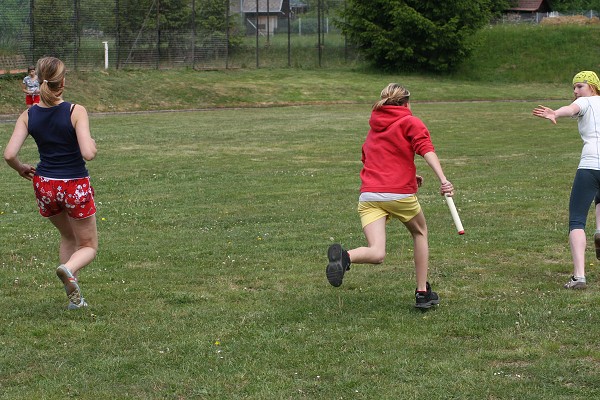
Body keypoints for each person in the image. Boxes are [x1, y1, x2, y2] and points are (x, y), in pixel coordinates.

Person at [326, 83, 455, 309]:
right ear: (406, 103)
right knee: (420, 232)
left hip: (369, 196)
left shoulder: (374, 128)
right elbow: (426, 149)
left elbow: (372, 160)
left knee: (377, 252)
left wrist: (410, 177)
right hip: (398, 195)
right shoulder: (410, 121)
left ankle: (345, 257)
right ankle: (422, 293)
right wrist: (444, 180)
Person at [4, 56, 98, 309]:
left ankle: (74, 300)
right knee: (88, 245)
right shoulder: (75, 111)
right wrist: (93, 145)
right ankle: (68, 268)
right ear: (62, 83)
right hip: (73, 185)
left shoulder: (28, 114)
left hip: (44, 184)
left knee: (68, 237)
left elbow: (9, 154)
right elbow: (88, 152)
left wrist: (22, 168)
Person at [533, 71, 600, 290]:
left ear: (592, 86)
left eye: (579, 86)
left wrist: (556, 113)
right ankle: (599, 230)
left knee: (577, 220)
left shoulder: (585, 102)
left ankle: (579, 276)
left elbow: (572, 109)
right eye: (573, 88)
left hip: (590, 165)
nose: (575, 92)